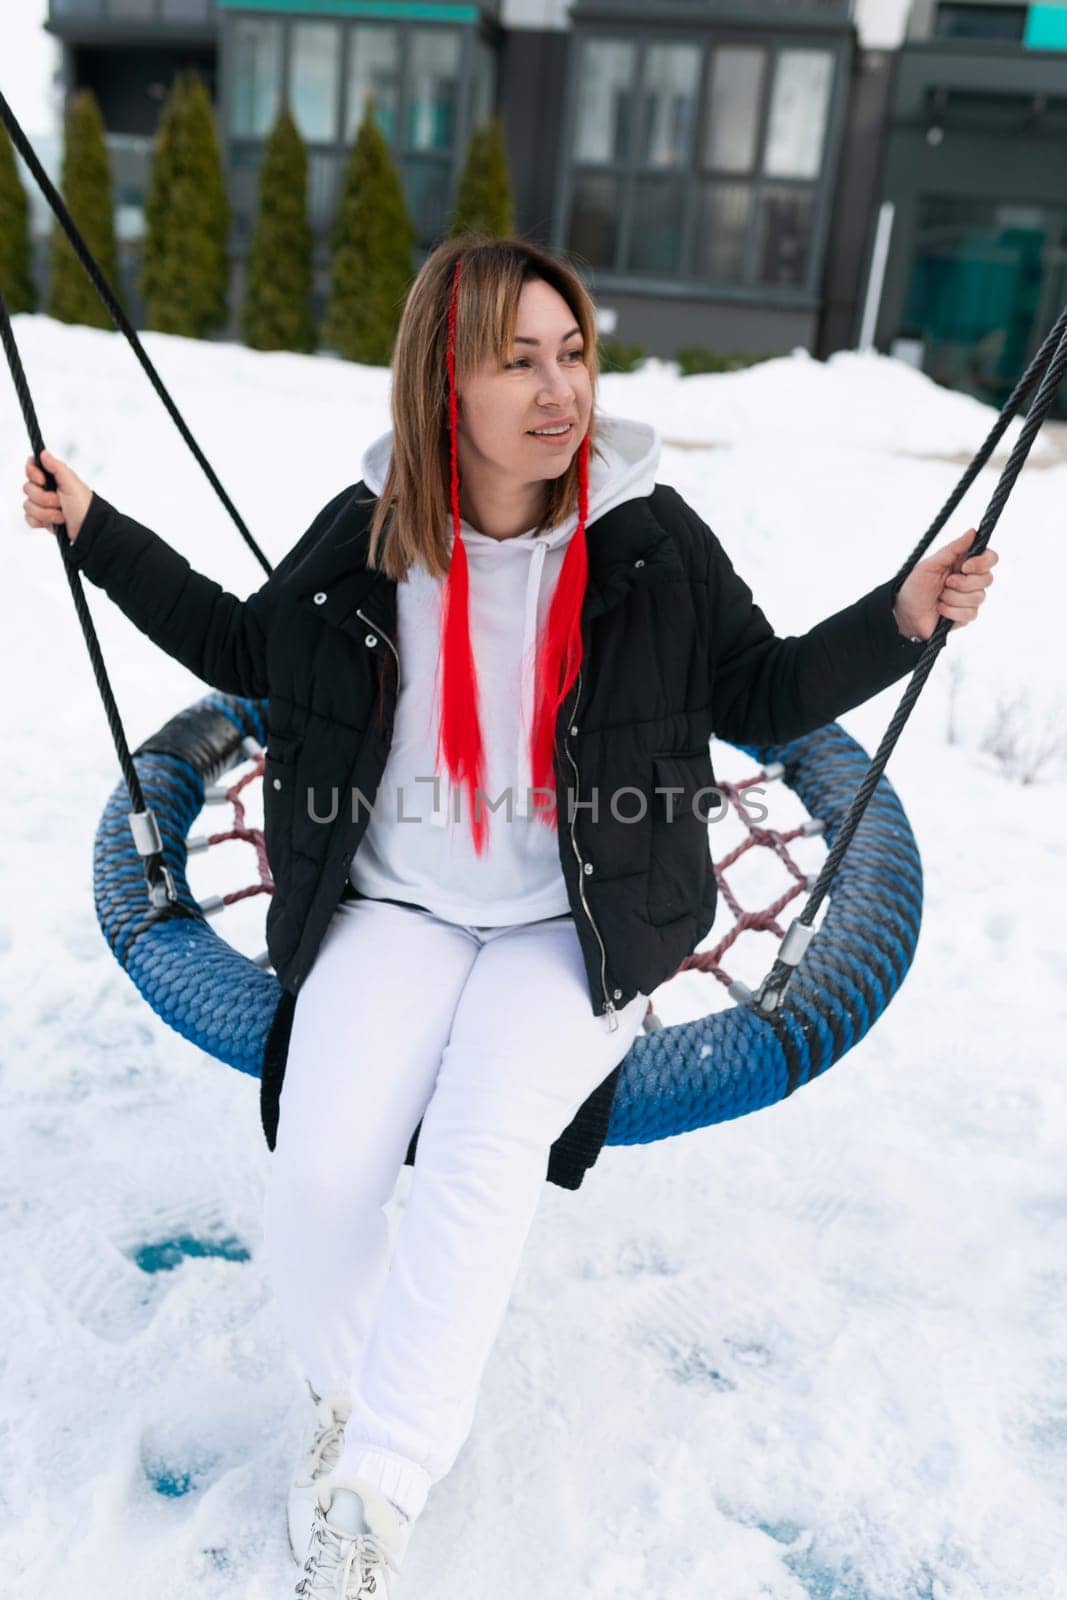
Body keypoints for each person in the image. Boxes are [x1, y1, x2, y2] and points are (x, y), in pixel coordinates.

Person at [21, 236, 997, 1598]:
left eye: (575, 352)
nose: (561, 389)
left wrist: (899, 616)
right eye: (518, 360)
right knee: (318, 1173)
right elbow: (247, 649)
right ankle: (346, 1398)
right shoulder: (371, 540)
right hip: (396, 905)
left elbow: (760, 693)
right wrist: (96, 530)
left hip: (575, 920)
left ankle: (383, 1488)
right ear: (443, 388)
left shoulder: (647, 541)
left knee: (481, 1149)